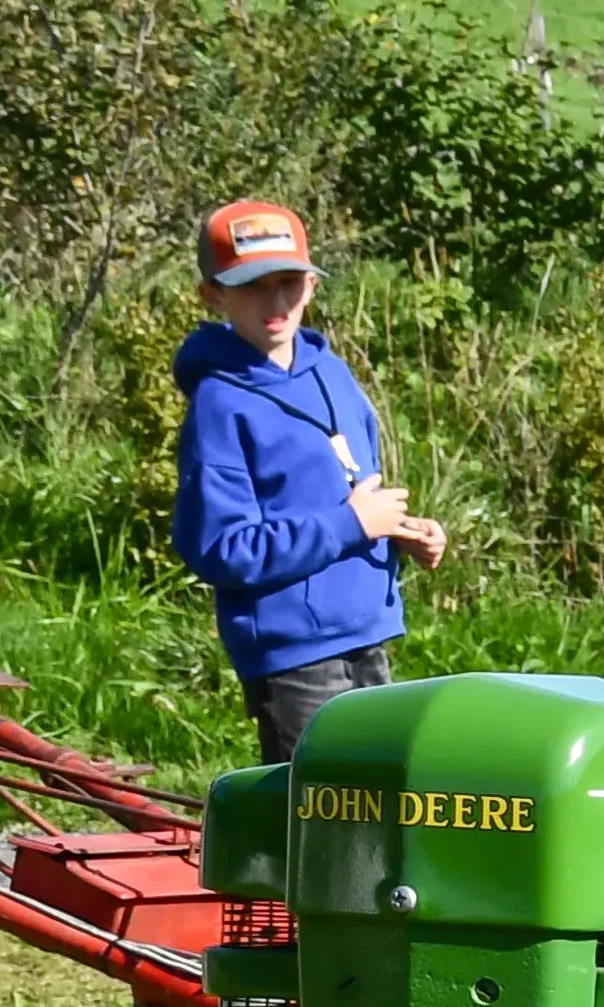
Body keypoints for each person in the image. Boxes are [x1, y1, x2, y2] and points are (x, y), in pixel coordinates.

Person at [173, 200, 443, 763]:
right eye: (253, 287)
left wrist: (400, 531)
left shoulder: (333, 372)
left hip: (368, 634)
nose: (276, 303)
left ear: (312, 286)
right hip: (293, 657)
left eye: (289, 284)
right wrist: (350, 525)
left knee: (375, 817)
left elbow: (355, 494)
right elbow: (222, 549)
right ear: (213, 295)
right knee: (315, 827)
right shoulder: (219, 404)